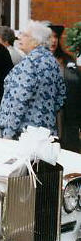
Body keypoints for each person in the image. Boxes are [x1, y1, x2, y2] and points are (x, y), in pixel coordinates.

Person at [0, 20, 66, 139]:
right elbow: (61, 97)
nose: (19, 37)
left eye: (24, 35)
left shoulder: (29, 64)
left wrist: (8, 135)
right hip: (45, 133)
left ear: (35, 41)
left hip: (24, 135)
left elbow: (17, 102)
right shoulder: (52, 62)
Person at [49, 24, 81, 152]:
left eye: (56, 37)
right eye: (50, 37)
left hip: (69, 117)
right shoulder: (39, 61)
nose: (53, 40)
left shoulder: (67, 60)